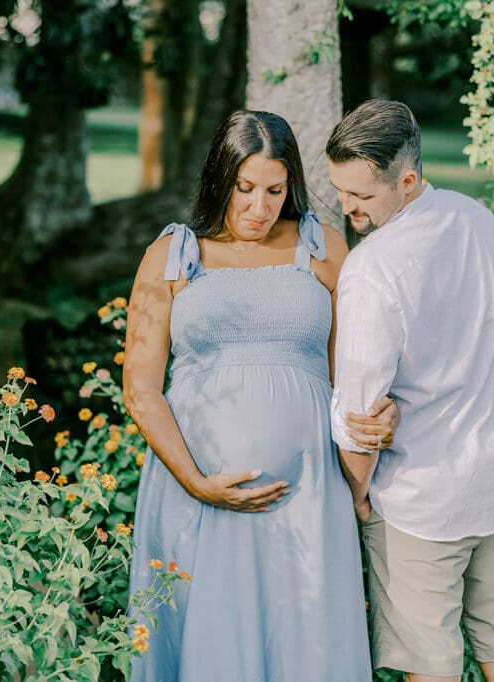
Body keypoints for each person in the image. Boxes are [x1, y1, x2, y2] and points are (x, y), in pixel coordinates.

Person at [122, 109, 396, 681]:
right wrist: (197, 481)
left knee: (306, 644)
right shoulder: (174, 255)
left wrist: (382, 411)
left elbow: (356, 373)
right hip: (194, 494)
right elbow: (141, 387)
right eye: (244, 189)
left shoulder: (324, 249)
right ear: (219, 179)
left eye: (275, 190)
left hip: (308, 498)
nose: (259, 207)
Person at [326, 99, 494, 682]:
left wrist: (360, 496)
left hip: (420, 505)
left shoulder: (372, 268)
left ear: (408, 181)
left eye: (362, 196)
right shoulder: (480, 220)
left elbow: (357, 414)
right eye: (340, 190)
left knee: (431, 673)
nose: (347, 208)